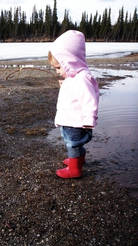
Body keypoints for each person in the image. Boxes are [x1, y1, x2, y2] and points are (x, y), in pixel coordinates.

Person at [48, 30, 99, 179]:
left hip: (76, 122)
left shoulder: (82, 78)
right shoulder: (73, 76)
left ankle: (74, 169)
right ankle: (77, 160)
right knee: (74, 144)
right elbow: (72, 94)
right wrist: (65, 84)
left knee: (73, 144)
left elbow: (90, 99)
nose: (57, 72)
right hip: (70, 119)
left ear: (70, 61)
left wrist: (89, 120)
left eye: (59, 67)